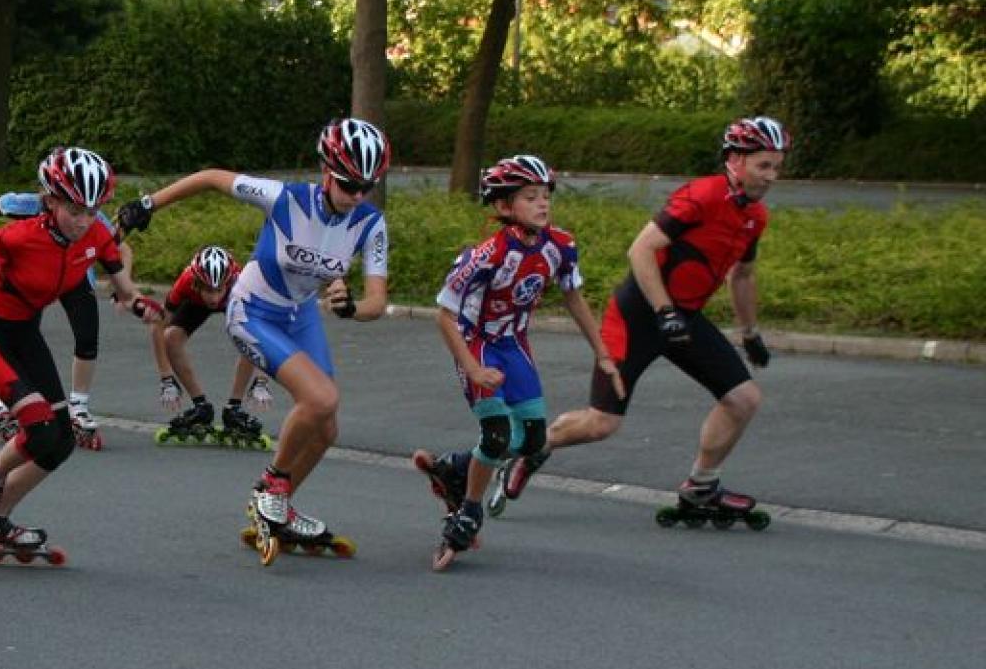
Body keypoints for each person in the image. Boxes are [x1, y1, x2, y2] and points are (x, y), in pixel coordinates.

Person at [116, 117, 392, 563]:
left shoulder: (370, 223)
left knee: (326, 427)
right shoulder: (284, 198)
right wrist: (148, 204)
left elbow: (377, 301)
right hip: (253, 310)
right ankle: (271, 487)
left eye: (367, 186)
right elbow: (211, 177)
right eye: (349, 184)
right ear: (327, 172)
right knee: (321, 398)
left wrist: (350, 309)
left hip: (300, 315)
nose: (357, 195)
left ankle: (278, 508)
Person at [491, 116, 788, 528]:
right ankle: (534, 448)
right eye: (763, 165)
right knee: (601, 424)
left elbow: (742, 275)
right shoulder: (702, 195)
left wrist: (750, 332)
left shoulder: (756, 215)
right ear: (735, 160)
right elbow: (641, 250)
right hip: (638, 316)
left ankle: (701, 487)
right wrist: (664, 311)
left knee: (743, 399)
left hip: (683, 318)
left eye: (777, 167)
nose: (771, 176)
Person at [408, 156, 622, 569]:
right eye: (531, 197)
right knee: (496, 436)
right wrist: (472, 368)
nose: (543, 203)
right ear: (505, 206)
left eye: (546, 196)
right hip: (478, 344)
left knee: (534, 441)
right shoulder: (487, 255)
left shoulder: (560, 246)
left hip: (514, 344)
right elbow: (444, 316)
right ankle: (468, 513)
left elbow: (574, 297)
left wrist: (602, 352)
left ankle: (455, 467)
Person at [0, 146, 161, 564]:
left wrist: (139, 304)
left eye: (92, 210)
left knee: (61, 442)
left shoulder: (96, 235)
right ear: (50, 201)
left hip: (25, 335)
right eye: (74, 210)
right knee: (37, 425)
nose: (83, 221)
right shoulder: (19, 236)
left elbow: (123, 287)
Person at [0, 171, 137, 450]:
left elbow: (122, 250)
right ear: (50, 199)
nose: (83, 219)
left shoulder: (89, 215)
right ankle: (10, 399)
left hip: (74, 275)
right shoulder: (25, 204)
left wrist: (122, 288)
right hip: (34, 276)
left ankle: (78, 405)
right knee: (19, 335)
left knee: (87, 335)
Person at [151, 244, 272, 448]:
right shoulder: (185, 282)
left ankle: (234, 407)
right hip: (195, 302)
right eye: (208, 290)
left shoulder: (242, 283)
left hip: (233, 299)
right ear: (197, 283)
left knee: (248, 336)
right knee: (171, 337)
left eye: (218, 290)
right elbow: (157, 326)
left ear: (227, 283)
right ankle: (201, 406)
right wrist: (166, 378)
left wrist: (261, 381)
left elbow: (262, 332)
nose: (214, 298)